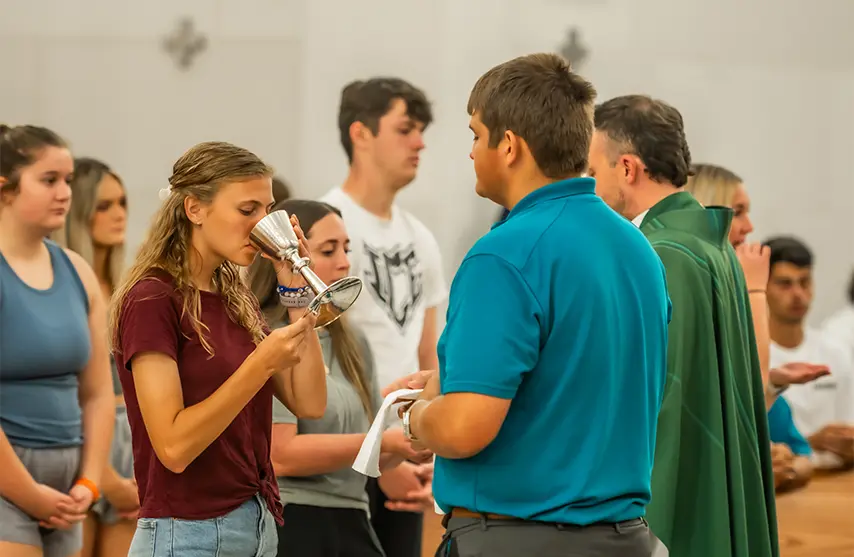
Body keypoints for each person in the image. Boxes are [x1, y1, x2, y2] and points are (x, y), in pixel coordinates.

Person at [402, 53, 671, 556]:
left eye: (475, 135)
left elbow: (463, 428)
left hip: (519, 536)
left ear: (509, 146)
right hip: (625, 537)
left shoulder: (505, 253)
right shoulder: (638, 250)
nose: (471, 152)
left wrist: (414, 417)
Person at [110, 141, 327, 556]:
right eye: (248, 211)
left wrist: (297, 288)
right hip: (186, 531)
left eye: (268, 211)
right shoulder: (153, 298)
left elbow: (311, 401)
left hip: (255, 521)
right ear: (195, 209)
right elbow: (173, 447)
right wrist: (259, 366)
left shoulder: (234, 296)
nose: (261, 225)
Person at [588, 95, 779, 557]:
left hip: (676, 506)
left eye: (592, 173)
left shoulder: (661, 253)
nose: (588, 187)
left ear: (627, 168)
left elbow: (665, 404)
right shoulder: (706, 245)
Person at [247, 198, 432, 557]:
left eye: (347, 248)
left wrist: (412, 434)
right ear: (290, 258)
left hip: (352, 515)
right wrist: (388, 443)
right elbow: (281, 455)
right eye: (329, 250)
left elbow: (373, 455)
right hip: (293, 517)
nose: (345, 262)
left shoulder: (353, 340)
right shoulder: (270, 338)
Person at [320, 77, 446, 557]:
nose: (420, 143)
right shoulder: (326, 226)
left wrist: (427, 433)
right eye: (405, 129)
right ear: (361, 134)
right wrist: (380, 450)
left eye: (420, 131)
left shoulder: (421, 237)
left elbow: (426, 351)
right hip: (340, 454)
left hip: (405, 446)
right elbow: (326, 352)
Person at [0, 125, 115, 557]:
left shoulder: (76, 270)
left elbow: (99, 393)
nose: (64, 192)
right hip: (9, 476)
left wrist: (89, 480)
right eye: (49, 180)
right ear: (5, 189)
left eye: (67, 180)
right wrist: (29, 494)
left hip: (68, 484)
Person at [685, 163, 829, 407]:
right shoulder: (689, 287)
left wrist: (773, 381)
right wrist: (754, 289)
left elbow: (745, 394)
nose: (749, 227)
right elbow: (750, 394)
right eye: (738, 212)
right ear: (708, 211)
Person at [57, 157, 139, 557]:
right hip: (79, 442)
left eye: (122, 202)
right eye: (104, 205)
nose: (119, 213)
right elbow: (74, 388)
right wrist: (104, 478)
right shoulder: (64, 283)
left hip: (133, 442)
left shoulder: (131, 285)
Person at [763, 236, 854, 468]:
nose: (798, 294)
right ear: (761, 288)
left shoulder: (836, 351)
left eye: (804, 282)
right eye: (785, 283)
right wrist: (812, 442)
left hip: (838, 480)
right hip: (784, 483)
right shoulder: (755, 357)